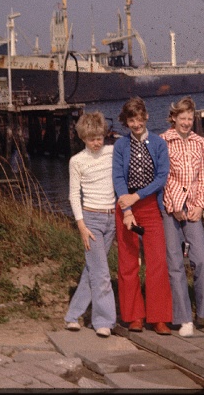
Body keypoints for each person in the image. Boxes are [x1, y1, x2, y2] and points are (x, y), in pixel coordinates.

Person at [161, 96, 204, 337]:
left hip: (193, 208)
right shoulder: (163, 141)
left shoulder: (199, 142)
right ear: (174, 118)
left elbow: (203, 178)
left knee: (202, 261)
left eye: (190, 118)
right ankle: (184, 318)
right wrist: (174, 205)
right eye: (182, 118)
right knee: (175, 263)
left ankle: (203, 314)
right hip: (171, 208)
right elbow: (163, 177)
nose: (186, 122)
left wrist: (200, 205)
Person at [112, 97, 173, 335]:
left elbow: (162, 177)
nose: (136, 124)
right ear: (126, 122)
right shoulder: (121, 145)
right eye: (131, 120)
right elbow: (118, 177)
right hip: (126, 206)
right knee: (128, 263)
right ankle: (134, 316)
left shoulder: (158, 143)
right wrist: (127, 209)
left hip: (149, 206)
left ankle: (159, 317)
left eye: (139, 119)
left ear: (146, 116)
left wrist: (137, 197)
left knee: (157, 262)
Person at [63, 112, 117, 337]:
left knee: (93, 269)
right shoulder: (77, 161)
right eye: (91, 139)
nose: (96, 143)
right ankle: (104, 321)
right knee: (102, 274)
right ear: (83, 138)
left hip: (112, 218)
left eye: (99, 138)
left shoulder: (112, 152)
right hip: (91, 219)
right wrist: (81, 226)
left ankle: (72, 316)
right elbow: (74, 195)